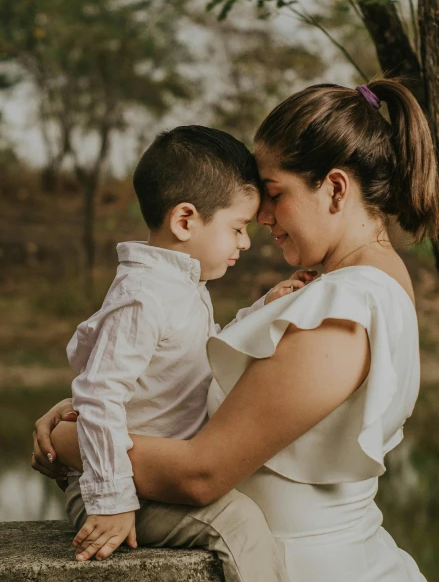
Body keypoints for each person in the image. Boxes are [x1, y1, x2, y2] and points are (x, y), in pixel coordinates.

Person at [33, 79, 438, 581]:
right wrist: (99, 406)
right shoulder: (368, 283)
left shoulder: (341, 308)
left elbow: (202, 473)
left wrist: (70, 441)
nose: (263, 216)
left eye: (274, 193)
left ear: (335, 188)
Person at [52, 125, 298, 581]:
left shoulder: (182, 284)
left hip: (154, 473)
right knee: (238, 523)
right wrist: (113, 501)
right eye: (237, 228)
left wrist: (265, 307)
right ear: (185, 220)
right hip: (121, 488)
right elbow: (99, 396)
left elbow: (197, 353)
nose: (245, 242)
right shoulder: (143, 296)